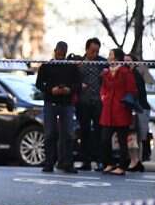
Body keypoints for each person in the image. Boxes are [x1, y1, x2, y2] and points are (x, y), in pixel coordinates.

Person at [36, 41, 81, 174]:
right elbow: (39, 84)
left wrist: (69, 89)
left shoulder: (71, 68)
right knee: (50, 133)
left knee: (68, 134)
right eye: (59, 53)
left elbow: (78, 85)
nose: (60, 55)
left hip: (66, 103)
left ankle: (67, 162)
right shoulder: (47, 66)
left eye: (63, 54)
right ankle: (49, 162)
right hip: (51, 102)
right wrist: (51, 90)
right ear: (55, 51)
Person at [99, 48, 137, 176]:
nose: (109, 57)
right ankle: (109, 163)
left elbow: (132, 90)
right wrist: (103, 96)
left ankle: (122, 166)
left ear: (116, 58)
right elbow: (103, 88)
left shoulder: (125, 72)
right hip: (108, 110)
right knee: (104, 139)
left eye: (111, 55)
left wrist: (125, 102)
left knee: (122, 141)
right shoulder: (106, 73)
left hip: (121, 110)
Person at [76, 37, 106, 171]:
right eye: (92, 51)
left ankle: (100, 161)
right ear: (87, 49)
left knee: (99, 132)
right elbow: (72, 80)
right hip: (83, 103)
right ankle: (85, 161)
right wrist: (78, 85)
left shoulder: (102, 63)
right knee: (84, 132)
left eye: (97, 51)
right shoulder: (78, 63)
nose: (95, 54)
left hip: (98, 102)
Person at [124, 54, 151, 173]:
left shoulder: (136, 75)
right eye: (124, 61)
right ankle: (135, 161)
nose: (126, 63)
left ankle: (135, 161)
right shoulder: (129, 74)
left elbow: (137, 94)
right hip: (136, 108)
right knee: (134, 136)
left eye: (129, 61)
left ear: (134, 63)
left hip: (139, 109)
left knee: (136, 136)